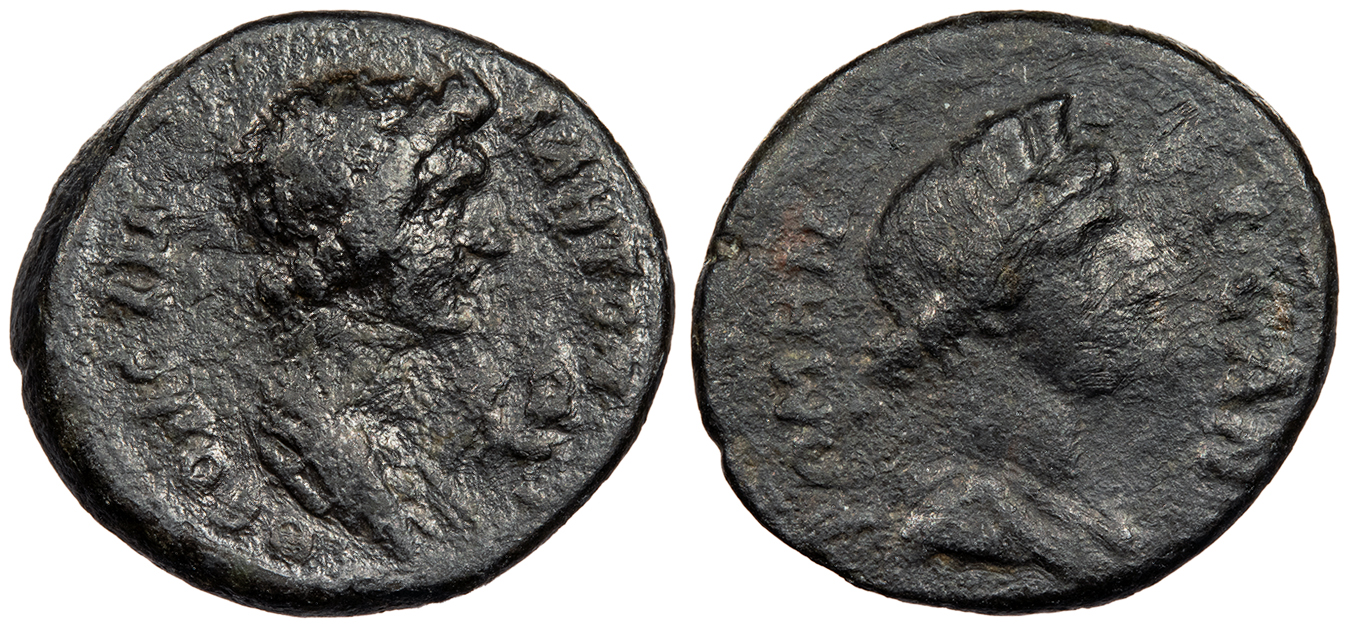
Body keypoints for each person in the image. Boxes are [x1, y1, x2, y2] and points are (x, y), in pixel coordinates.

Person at [865, 96, 1166, 579]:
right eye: (1091, 242)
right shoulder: (966, 519)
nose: (1145, 265)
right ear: (991, 305)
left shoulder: (1059, 513)